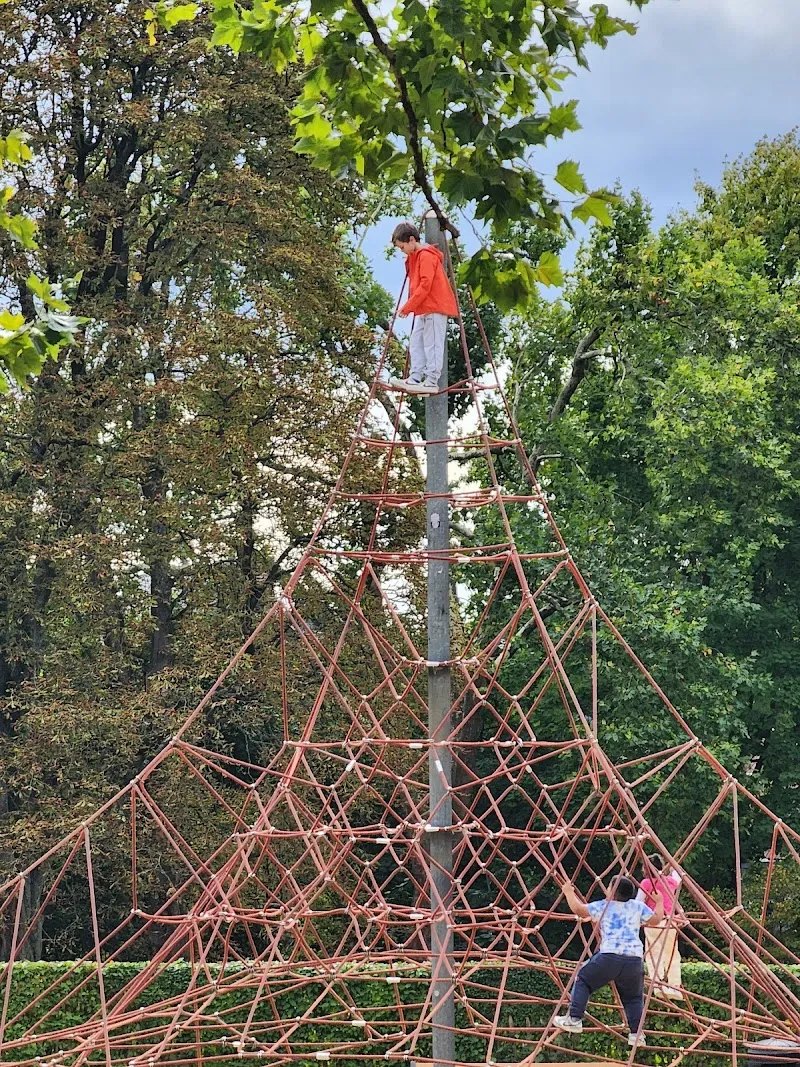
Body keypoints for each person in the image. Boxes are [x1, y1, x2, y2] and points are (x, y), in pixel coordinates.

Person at [553, 875, 664, 1048]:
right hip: (634, 960)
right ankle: (636, 1034)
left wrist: (568, 892)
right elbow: (657, 919)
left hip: (610, 956)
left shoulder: (604, 906)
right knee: (633, 998)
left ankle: (574, 1018)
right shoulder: (637, 907)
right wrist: (659, 901)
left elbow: (579, 910)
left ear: (613, 891)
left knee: (583, 978)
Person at [389, 222, 458, 395]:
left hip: (435, 305)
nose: (402, 250)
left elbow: (425, 285)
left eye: (403, 246)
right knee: (416, 340)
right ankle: (415, 376)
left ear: (411, 240)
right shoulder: (416, 256)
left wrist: (408, 307)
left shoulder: (426, 256)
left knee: (432, 343)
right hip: (425, 307)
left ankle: (431, 380)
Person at [637, 856, 684, 999]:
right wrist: (670, 866)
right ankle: (675, 986)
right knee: (672, 954)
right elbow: (678, 875)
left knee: (653, 954)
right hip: (670, 923)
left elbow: (639, 902)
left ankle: (658, 984)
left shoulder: (646, 883)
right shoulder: (670, 881)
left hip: (654, 922)